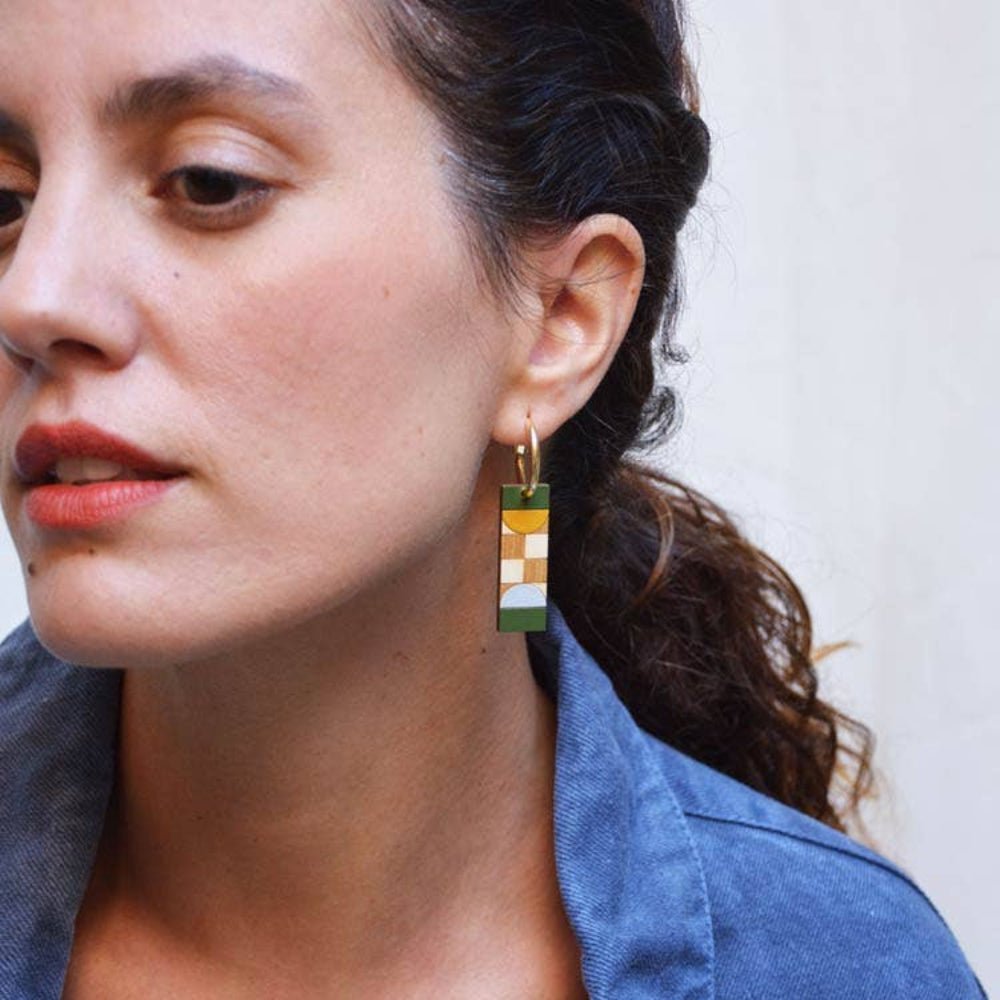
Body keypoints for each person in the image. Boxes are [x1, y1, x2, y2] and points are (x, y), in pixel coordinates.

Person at [0, 1, 987, 998]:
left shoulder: (840, 967)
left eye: (210, 180)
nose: (32, 298)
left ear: (559, 317)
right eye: (6, 201)